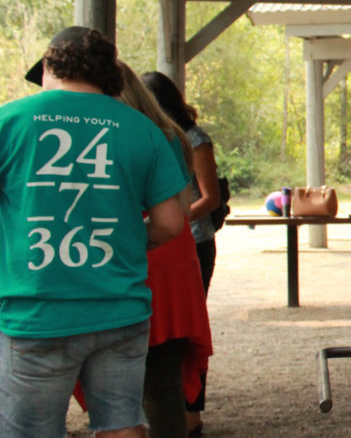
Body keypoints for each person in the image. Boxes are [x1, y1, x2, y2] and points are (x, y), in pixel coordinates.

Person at [0, 27, 186, 438]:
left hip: (38, 310)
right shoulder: (142, 129)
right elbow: (172, 222)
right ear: (111, 75)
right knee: (122, 424)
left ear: (49, 65)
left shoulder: (10, 120)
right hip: (120, 307)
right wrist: (136, 241)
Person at [118, 63, 212, 438]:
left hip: (150, 252)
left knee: (143, 375)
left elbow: (191, 202)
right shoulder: (171, 134)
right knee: (163, 374)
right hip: (173, 252)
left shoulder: (136, 135)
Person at [140, 71, 220, 436]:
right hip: (158, 246)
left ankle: (193, 412)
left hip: (193, 242)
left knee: (186, 332)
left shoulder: (193, 139)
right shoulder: (146, 136)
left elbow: (210, 197)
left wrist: (171, 217)